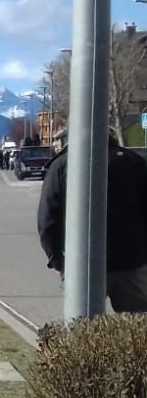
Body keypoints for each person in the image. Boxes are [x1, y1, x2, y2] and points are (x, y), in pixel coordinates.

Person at [37, 132, 147, 312]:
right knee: (136, 330)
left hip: (82, 264)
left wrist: (59, 262)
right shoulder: (134, 161)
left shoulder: (62, 165)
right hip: (132, 262)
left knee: (84, 327)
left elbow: (47, 220)